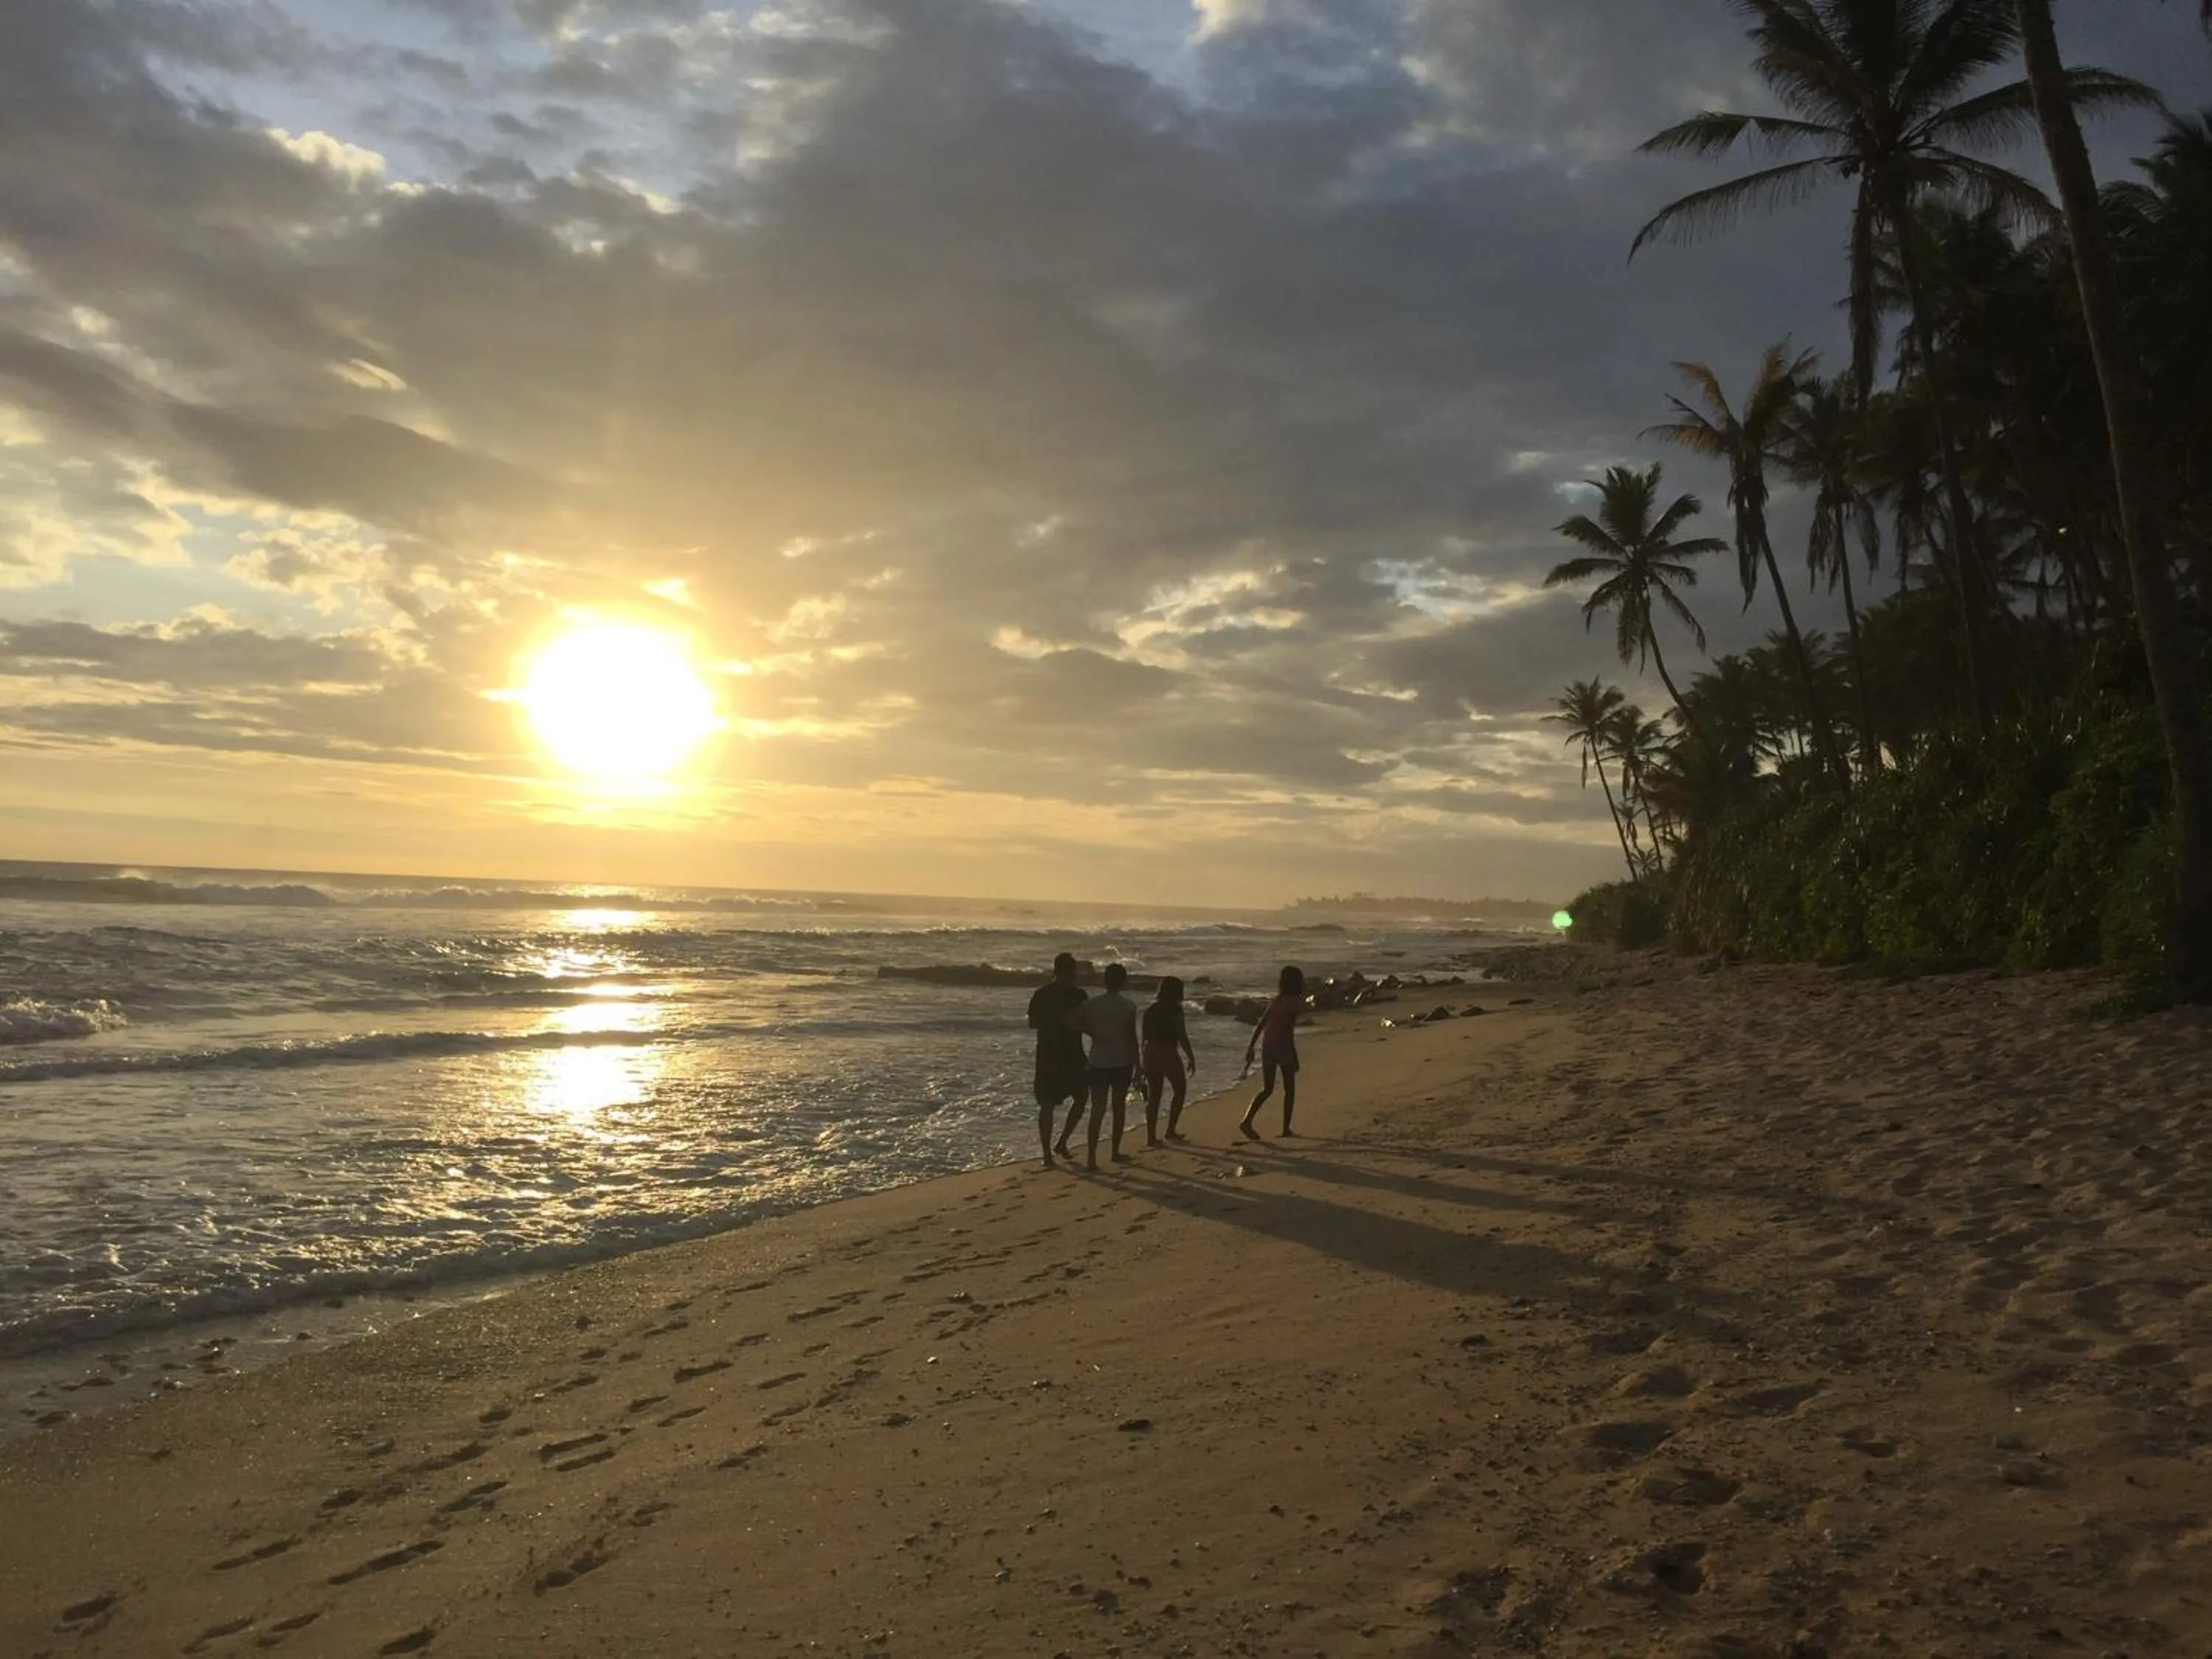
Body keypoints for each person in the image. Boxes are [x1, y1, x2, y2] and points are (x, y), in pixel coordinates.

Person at [1065, 961, 1140, 1169]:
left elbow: (1070, 1019)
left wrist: (1091, 1032)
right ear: (1123, 982)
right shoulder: (1128, 1006)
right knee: (1118, 1108)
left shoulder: (1093, 1004)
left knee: (1097, 1111)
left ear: (1104, 980)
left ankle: (1091, 1158)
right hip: (1121, 1061)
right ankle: (1115, 1152)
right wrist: (1139, 1065)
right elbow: (1132, 1038)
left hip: (1098, 1061)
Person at [1026, 953, 1088, 1169]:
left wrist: (1052, 1022)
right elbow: (1085, 1023)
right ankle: (1059, 1145)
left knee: (1050, 1104)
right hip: (1069, 1053)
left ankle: (1050, 1153)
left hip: (1048, 1053)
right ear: (1071, 973)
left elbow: (1032, 1023)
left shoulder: (1041, 995)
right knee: (1078, 1098)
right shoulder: (1079, 995)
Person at [1239, 964, 1305, 1140]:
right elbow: (1288, 1031)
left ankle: (1247, 1121)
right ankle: (1285, 1129)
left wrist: (1251, 1047)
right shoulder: (1294, 1003)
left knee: (1267, 1089)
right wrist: (1294, 1055)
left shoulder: (1277, 1000)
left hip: (1268, 1046)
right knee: (1289, 1089)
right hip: (1283, 1047)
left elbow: (1261, 1024)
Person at [1140, 975, 1197, 1146]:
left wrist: (1141, 1060)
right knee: (1180, 1089)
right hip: (1167, 1051)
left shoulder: (1150, 1010)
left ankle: (1151, 1137)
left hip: (1150, 1051)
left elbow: (1143, 1037)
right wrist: (1191, 1057)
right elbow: (1182, 1036)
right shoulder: (1175, 1011)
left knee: (1154, 1095)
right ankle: (1170, 1130)